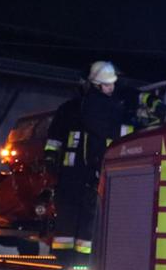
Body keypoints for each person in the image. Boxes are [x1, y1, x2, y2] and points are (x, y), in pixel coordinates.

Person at [43, 61, 133, 254]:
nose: (112, 88)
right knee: (68, 215)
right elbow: (55, 136)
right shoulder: (69, 110)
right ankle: (64, 256)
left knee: (90, 217)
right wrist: (50, 157)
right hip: (71, 174)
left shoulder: (113, 109)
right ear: (95, 85)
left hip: (93, 171)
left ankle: (84, 259)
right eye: (108, 84)